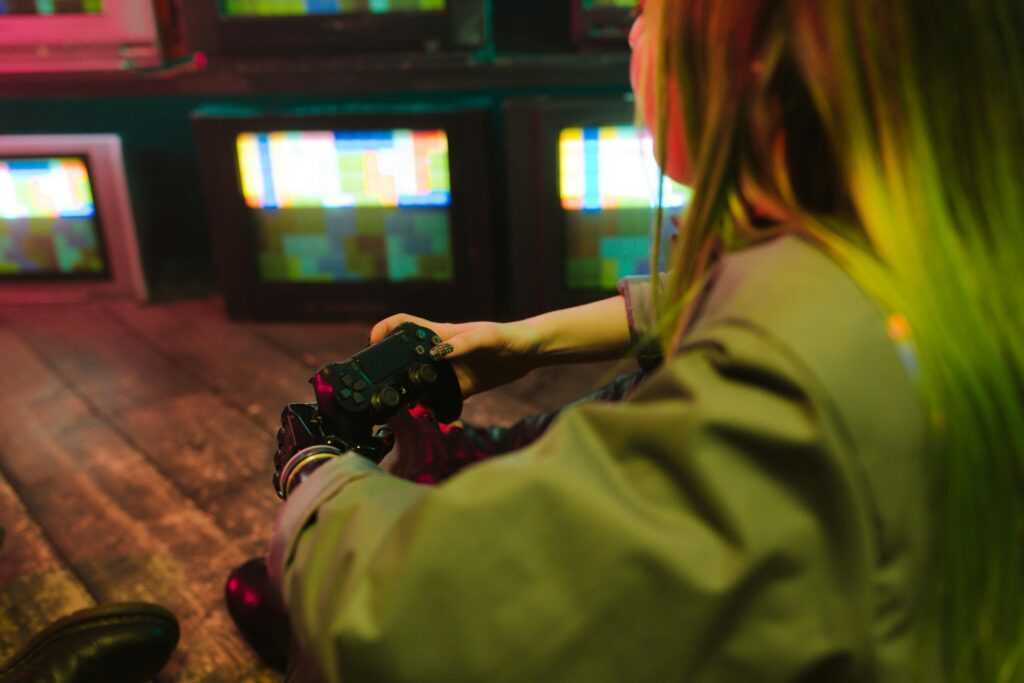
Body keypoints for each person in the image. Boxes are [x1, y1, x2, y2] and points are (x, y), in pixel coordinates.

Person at [267, 1, 1024, 681]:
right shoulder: (942, 237)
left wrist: (316, 481)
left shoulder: (782, 393)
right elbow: (721, 297)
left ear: (750, 51)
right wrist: (524, 342)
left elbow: (427, 618)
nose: (630, 34)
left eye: (647, 9)